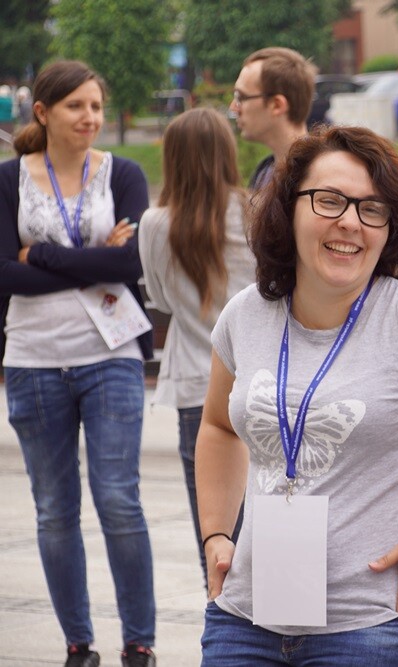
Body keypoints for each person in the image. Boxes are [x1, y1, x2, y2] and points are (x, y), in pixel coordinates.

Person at [195, 124, 398, 666]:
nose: (350, 222)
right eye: (329, 200)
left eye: (372, 209)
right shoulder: (247, 314)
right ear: (288, 209)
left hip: (384, 623)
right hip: (246, 617)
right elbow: (218, 426)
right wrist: (216, 533)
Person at [0, 60, 157, 667]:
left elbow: (130, 265)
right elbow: (3, 275)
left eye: (96, 105)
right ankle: (78, 644)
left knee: (118, 499)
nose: (90, 117)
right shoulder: (8, 180)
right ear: (42, 112)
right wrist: (93, 259)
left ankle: (139, 643)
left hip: (110, 355)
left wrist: (39, 255)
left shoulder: (125, 174)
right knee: (54, 509)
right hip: (33, 360)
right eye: (76, 106)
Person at [138, 108, 255, 586]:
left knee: (215, 536)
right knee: (268, 528)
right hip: (258, 381)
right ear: (227, 153)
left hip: (195, 386)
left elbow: (160, 298)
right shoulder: (255, 211)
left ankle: (222, 618)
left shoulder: (155, 223)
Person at [229, 47, 315, 191]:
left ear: (277, 105)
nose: (233, 107)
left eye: (241, 97)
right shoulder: (264, 172)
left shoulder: (319, 175)